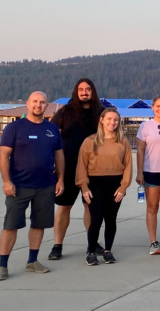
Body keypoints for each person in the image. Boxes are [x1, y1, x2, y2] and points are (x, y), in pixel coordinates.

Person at [0, 91, 65, 281]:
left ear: (46, 105)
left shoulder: (52, 130)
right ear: (27, 103)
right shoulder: (14, 128)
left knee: (39, 224)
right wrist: (7, 181)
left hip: (45, 186)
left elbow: (59, 156)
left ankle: (32, 261)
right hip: (19, 186)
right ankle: (2, 266)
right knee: (11, 225)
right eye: (35, 102)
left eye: (42, 102)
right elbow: (3, 156)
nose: (38, 105)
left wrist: (61, 179)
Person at [48, 78, 101, 261]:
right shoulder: (65, 112)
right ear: (76, 92)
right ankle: (57, 245)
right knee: (63, 208)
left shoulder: (101, 113)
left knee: (90, 207)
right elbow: (50, 134)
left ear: (93, 91)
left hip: (94, 170)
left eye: (88, 89)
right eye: (81, 89)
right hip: (68, 167)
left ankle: (92, 244)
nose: (84, 92)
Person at [77, 107, 133, 265]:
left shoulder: (123, 142)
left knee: (111, 219)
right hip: (94, 183)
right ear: (101, 120)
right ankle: (91, 251)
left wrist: (123, 187)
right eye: (109, 119)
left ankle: (108, 250)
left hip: (115, 184)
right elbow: (81, 166)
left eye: (115, 120)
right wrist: (84, 187)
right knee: (95, 219)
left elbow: (128, 166)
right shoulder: (90, 141)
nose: (112, 123)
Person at [136, 95, 160, 256]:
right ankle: (154, 242)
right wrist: (139, 172)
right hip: (150, 172)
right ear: (153, 107)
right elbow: (140, 150)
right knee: (152, 207)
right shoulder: (145, 126)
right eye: (158, 106)